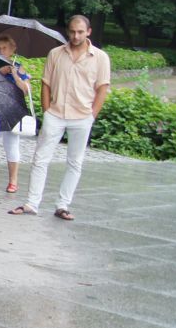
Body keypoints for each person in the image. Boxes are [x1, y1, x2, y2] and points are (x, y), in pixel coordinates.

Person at [13, 15, 109, 221]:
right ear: (68, 31)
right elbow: (46, 83)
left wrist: (92, 115)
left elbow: (102, 88)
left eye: (80, 32)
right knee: (40, 158)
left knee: (75, 162)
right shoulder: (56, 54)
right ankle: (32, 202)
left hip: (82, 115)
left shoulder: (100, 57)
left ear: (89, 32)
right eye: (73, 31)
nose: (76, 36)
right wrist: (47, 110)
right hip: (56, 113)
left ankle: (63, 205)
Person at [0, 34, 32, 193]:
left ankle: (13, 180)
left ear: (12, 50)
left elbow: (26, 91)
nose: (1, 51)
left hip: (12, 109)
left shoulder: (19, 66)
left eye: (5, 48)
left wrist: (14, 73)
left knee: (12, 145)